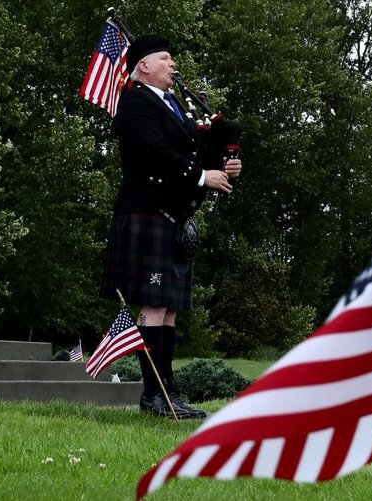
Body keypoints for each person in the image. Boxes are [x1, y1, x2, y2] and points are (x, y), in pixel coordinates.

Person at [99, 35, 241, 419]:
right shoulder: (135, 103)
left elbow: (191, 148)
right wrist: (201, 177)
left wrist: (223, 160)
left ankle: (168, 392)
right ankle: (152, 396)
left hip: (171, 219)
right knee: (155, 304)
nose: (172, 64)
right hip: (148, 213)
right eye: (165, 58)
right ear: (144, 65)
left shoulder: (170, 103)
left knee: (170, 308)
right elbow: (156, 153)